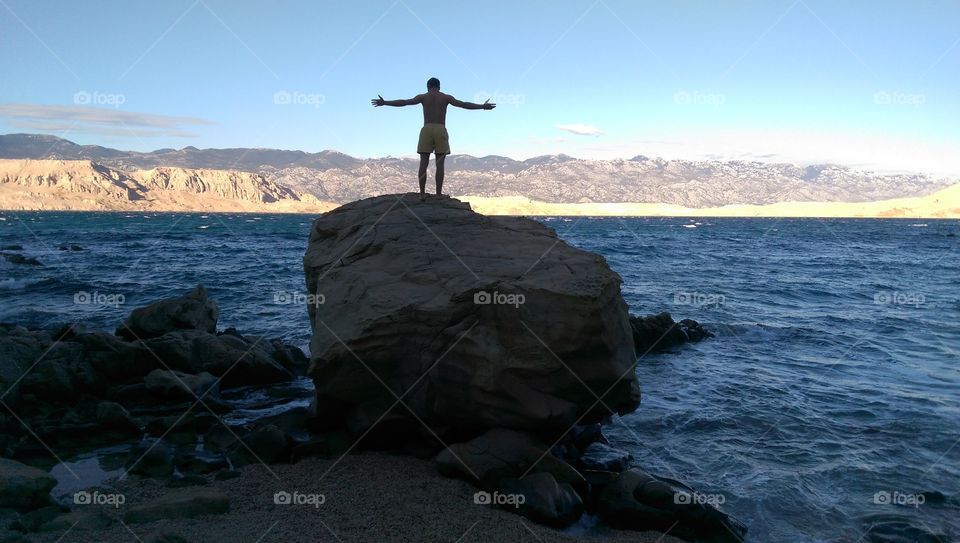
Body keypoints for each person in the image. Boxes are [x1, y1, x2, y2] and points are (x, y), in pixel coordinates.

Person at [372, 77, 495, 201]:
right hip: (440, 128)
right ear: (439, 87)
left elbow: (404, 102)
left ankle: (422, 194)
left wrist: (385, 102)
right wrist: (482, 106)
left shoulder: (423, 97)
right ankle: (438, 194)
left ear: (428, 86)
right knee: (440, 164)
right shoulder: (446, 97)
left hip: (427, 129)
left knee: (423, 163)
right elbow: (463, 105)